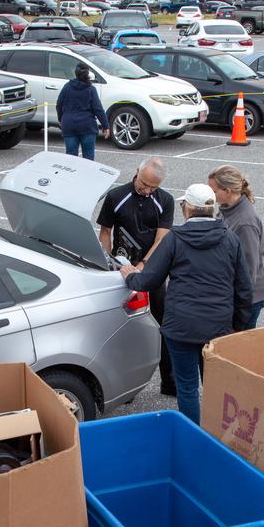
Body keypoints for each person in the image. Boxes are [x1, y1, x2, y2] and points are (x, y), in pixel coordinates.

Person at [120, 184, 252, 424]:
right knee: (215, 386)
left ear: (188, 209)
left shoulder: (174, 239)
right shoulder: (230, 239)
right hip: (217, 327)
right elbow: (244, 289)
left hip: (181, 326)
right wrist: (237, 327)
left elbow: (148, 280)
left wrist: (129, 274)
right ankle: (217, 434)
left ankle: (193, 435)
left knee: (187, 386)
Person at [98, 157, 176, 394]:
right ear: (136, 172)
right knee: (123, 329)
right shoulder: (116, 196)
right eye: (144, 184)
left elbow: (162, 239)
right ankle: (125, 387)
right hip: (122, 271)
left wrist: (144, 266)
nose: (147, 190)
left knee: (164, 327)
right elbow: (105, 231)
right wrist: (109, 262)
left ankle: (169, 382)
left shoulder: (165, 200)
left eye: (153, 187)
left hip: (153, 272)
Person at [209, 165, 264, 328]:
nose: (211, 195)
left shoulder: (244, 223)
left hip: (247, 299)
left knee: (239, 346)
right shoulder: (227, 209)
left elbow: (249, 269)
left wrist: (237, 304)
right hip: (233, 292)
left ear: (228, 191)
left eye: (214, 191)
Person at [55, 63, 108, 160]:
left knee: (71, 158)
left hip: (69, 124)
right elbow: (98, 109)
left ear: (75, 73)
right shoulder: (91, 89)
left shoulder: (67, 86)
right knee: (88, 158)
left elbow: (59, 104)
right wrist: (105, 126)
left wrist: (60, 119)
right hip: (87, 125)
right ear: (88, 74)